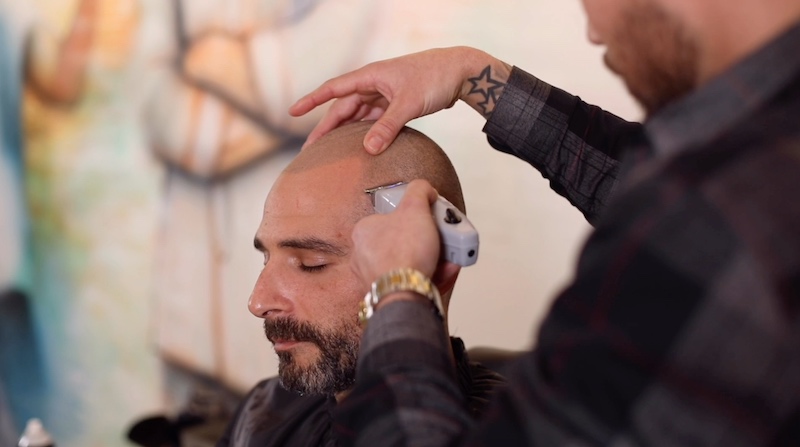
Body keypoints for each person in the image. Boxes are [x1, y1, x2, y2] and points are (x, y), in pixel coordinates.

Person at [288, 0, 800, 445]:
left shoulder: (716, 222)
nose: (594, 33)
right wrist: (474, 76)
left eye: (310, 261)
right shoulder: (755, 167)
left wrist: (396, 290)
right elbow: (653, 174)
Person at [215, 121, 506, 446]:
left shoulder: (519, 430)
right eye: (267, 259)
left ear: (433, 267)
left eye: (311, 264)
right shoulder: (263, 413)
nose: (258, 302)